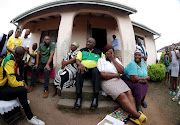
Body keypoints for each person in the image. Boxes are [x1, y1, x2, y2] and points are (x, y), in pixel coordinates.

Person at [97, 45, 147, 124]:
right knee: (122, 94)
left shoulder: (115, 59)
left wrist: (113, 60)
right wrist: (115, 75)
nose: (110, 54)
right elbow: (102, 75)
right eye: (108, 52)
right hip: (107, 81)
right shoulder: (101, 60)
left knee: (128, 92)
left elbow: (122, 71)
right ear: (105, 53)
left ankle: (133, 114)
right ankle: (136, 115)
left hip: (118, 80)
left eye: (112, 52)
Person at [0, 46, 45, 125]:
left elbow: (13, 75)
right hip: (0, 90)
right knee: (22, 90)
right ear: (21, 57)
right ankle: (30, 117)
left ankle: (23, 101)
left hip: (3, 86)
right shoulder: (10, 61)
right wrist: (23, 85)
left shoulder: (10, 57)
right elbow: (12, 83)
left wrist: (23, 81)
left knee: (21, 82)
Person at [74, 38, 103, 110]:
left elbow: (105, 59)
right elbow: (77, 60)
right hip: (84, 68)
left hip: (94, 70)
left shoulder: (99, 52)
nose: (88, 43)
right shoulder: (82, 50)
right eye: (87, 41)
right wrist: (80, 65)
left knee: (96, 71)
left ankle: (95, 97)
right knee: (79, 71)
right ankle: (79, 97)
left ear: (94, 44)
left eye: (90, 42)